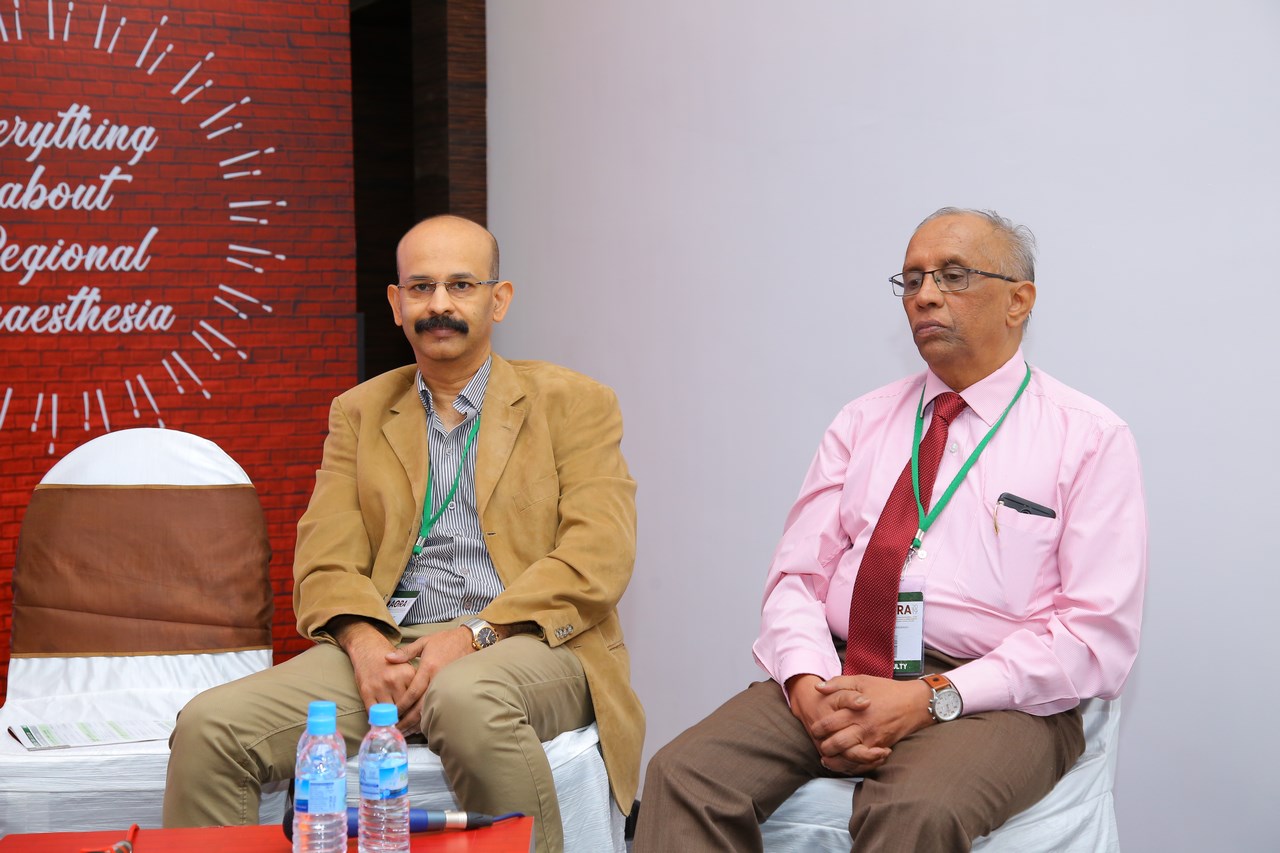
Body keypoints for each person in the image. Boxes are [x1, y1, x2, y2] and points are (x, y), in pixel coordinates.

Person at [634, 208, 1147, 853]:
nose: (925, 295)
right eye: (912, 279)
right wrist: (805, 683)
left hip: (999, 692)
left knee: (914, 811)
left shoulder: (1089, 437)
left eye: (952, 275)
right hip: (845, 663)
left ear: (1020, 301)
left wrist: (931, 697)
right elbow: (797, 579)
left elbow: (1095, 638)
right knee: (685, 776)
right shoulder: (862, 421)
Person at [163, 214, 644, 853]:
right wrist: (365, 648)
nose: (439, 304)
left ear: (498, 299)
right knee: (211, 727)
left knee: (464, 697)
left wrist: (471, 636)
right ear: (396, 304)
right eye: (421, 287)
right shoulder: (359, 412)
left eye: (461, 285)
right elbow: (325, 560)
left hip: (530, 639)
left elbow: (598, 555)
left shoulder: (573, 402)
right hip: (391, 642)